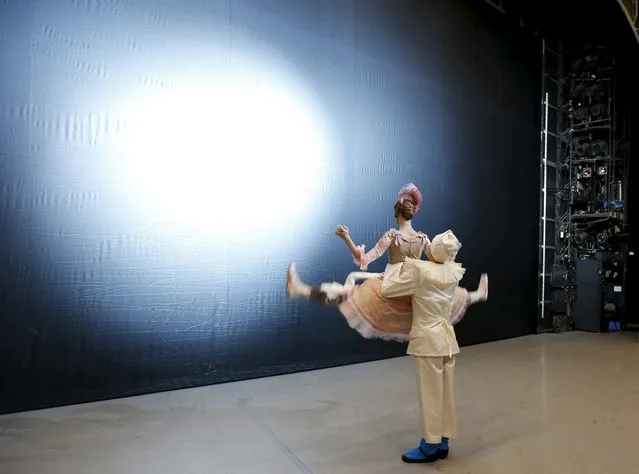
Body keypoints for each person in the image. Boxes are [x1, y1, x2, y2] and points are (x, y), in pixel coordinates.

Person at [286, 183, 488, 341]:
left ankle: (301, 290)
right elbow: (437, 264)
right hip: (413, 286)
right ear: (412, 213)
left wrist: (347, 238)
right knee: (447, 295)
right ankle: (477, 295)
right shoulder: (422, 238)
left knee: (347, 293)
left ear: (397, 214)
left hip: (393, 285)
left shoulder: (392, 236)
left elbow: (364, 259)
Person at [380, 230, 464, 463]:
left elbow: (388, 289)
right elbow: (442, 259)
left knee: (430, 395)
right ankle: (443, 441)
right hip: (448, 340)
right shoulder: (453, 272)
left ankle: (429, 446)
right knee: (446, 393)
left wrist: (394, 263)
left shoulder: (420, 272)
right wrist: (430, 248)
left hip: (428, 341)